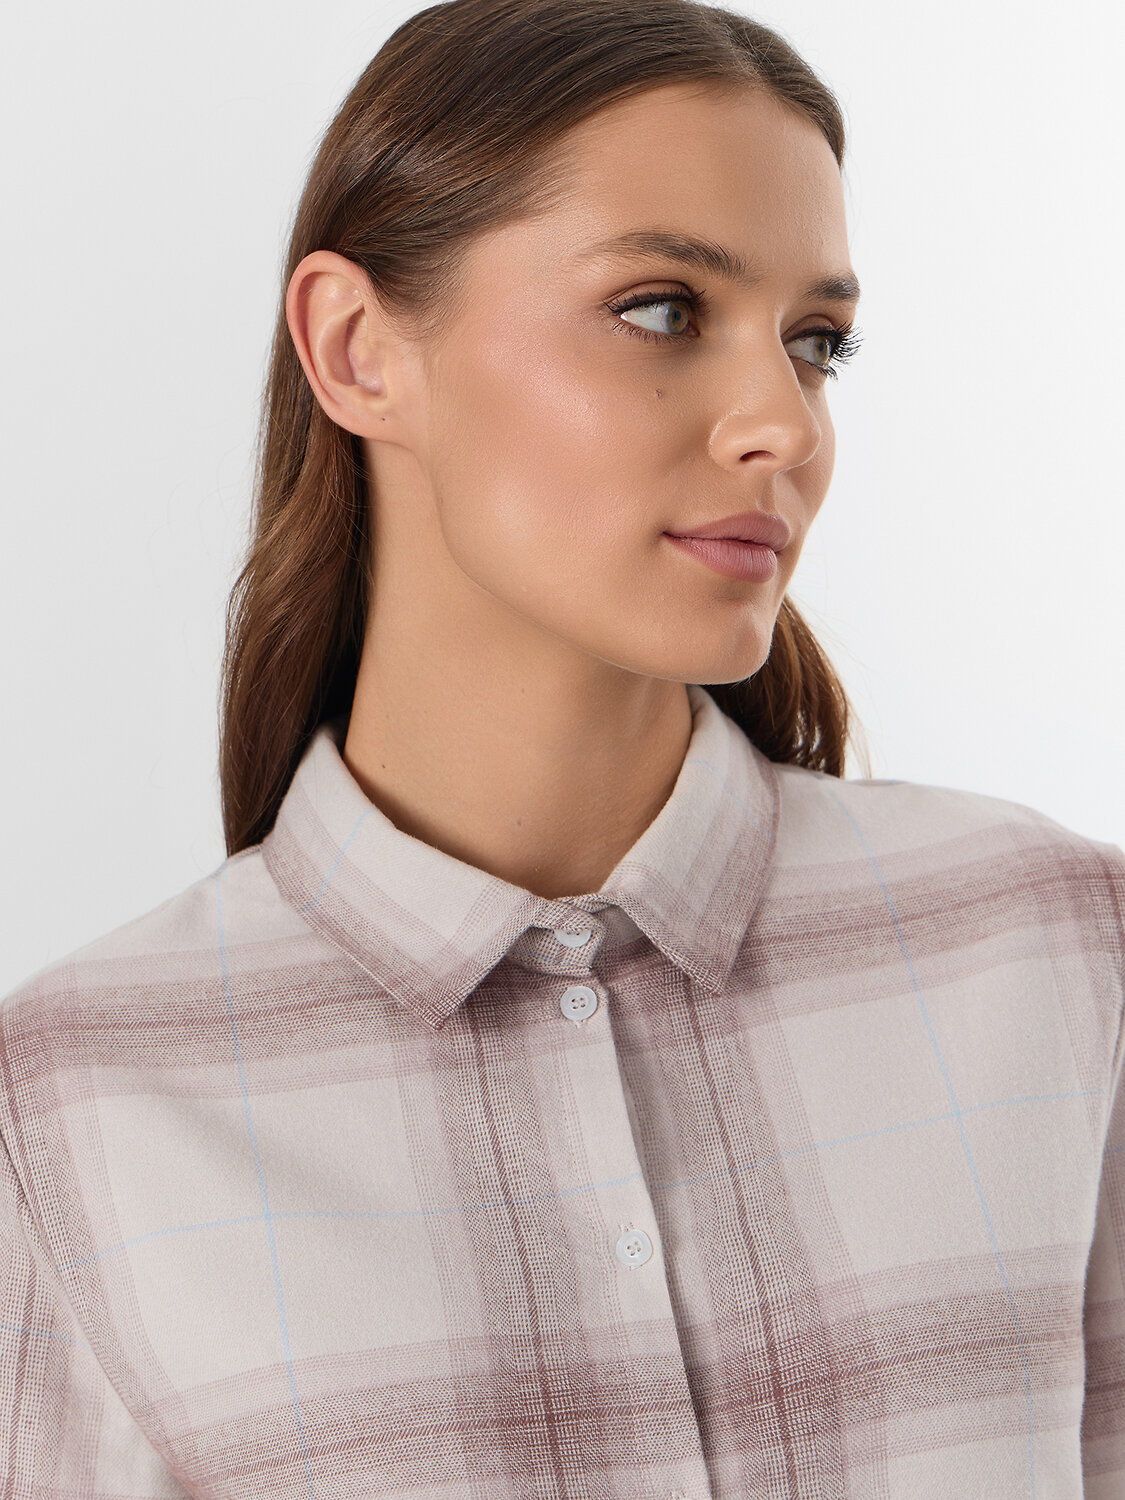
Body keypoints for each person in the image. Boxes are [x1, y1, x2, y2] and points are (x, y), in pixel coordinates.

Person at [2, 0, 1122, 1494]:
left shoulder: (1057, 950)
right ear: (358, 350)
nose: (782, 426)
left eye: (815, 345)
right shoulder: (69, 1108)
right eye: (661, 309)